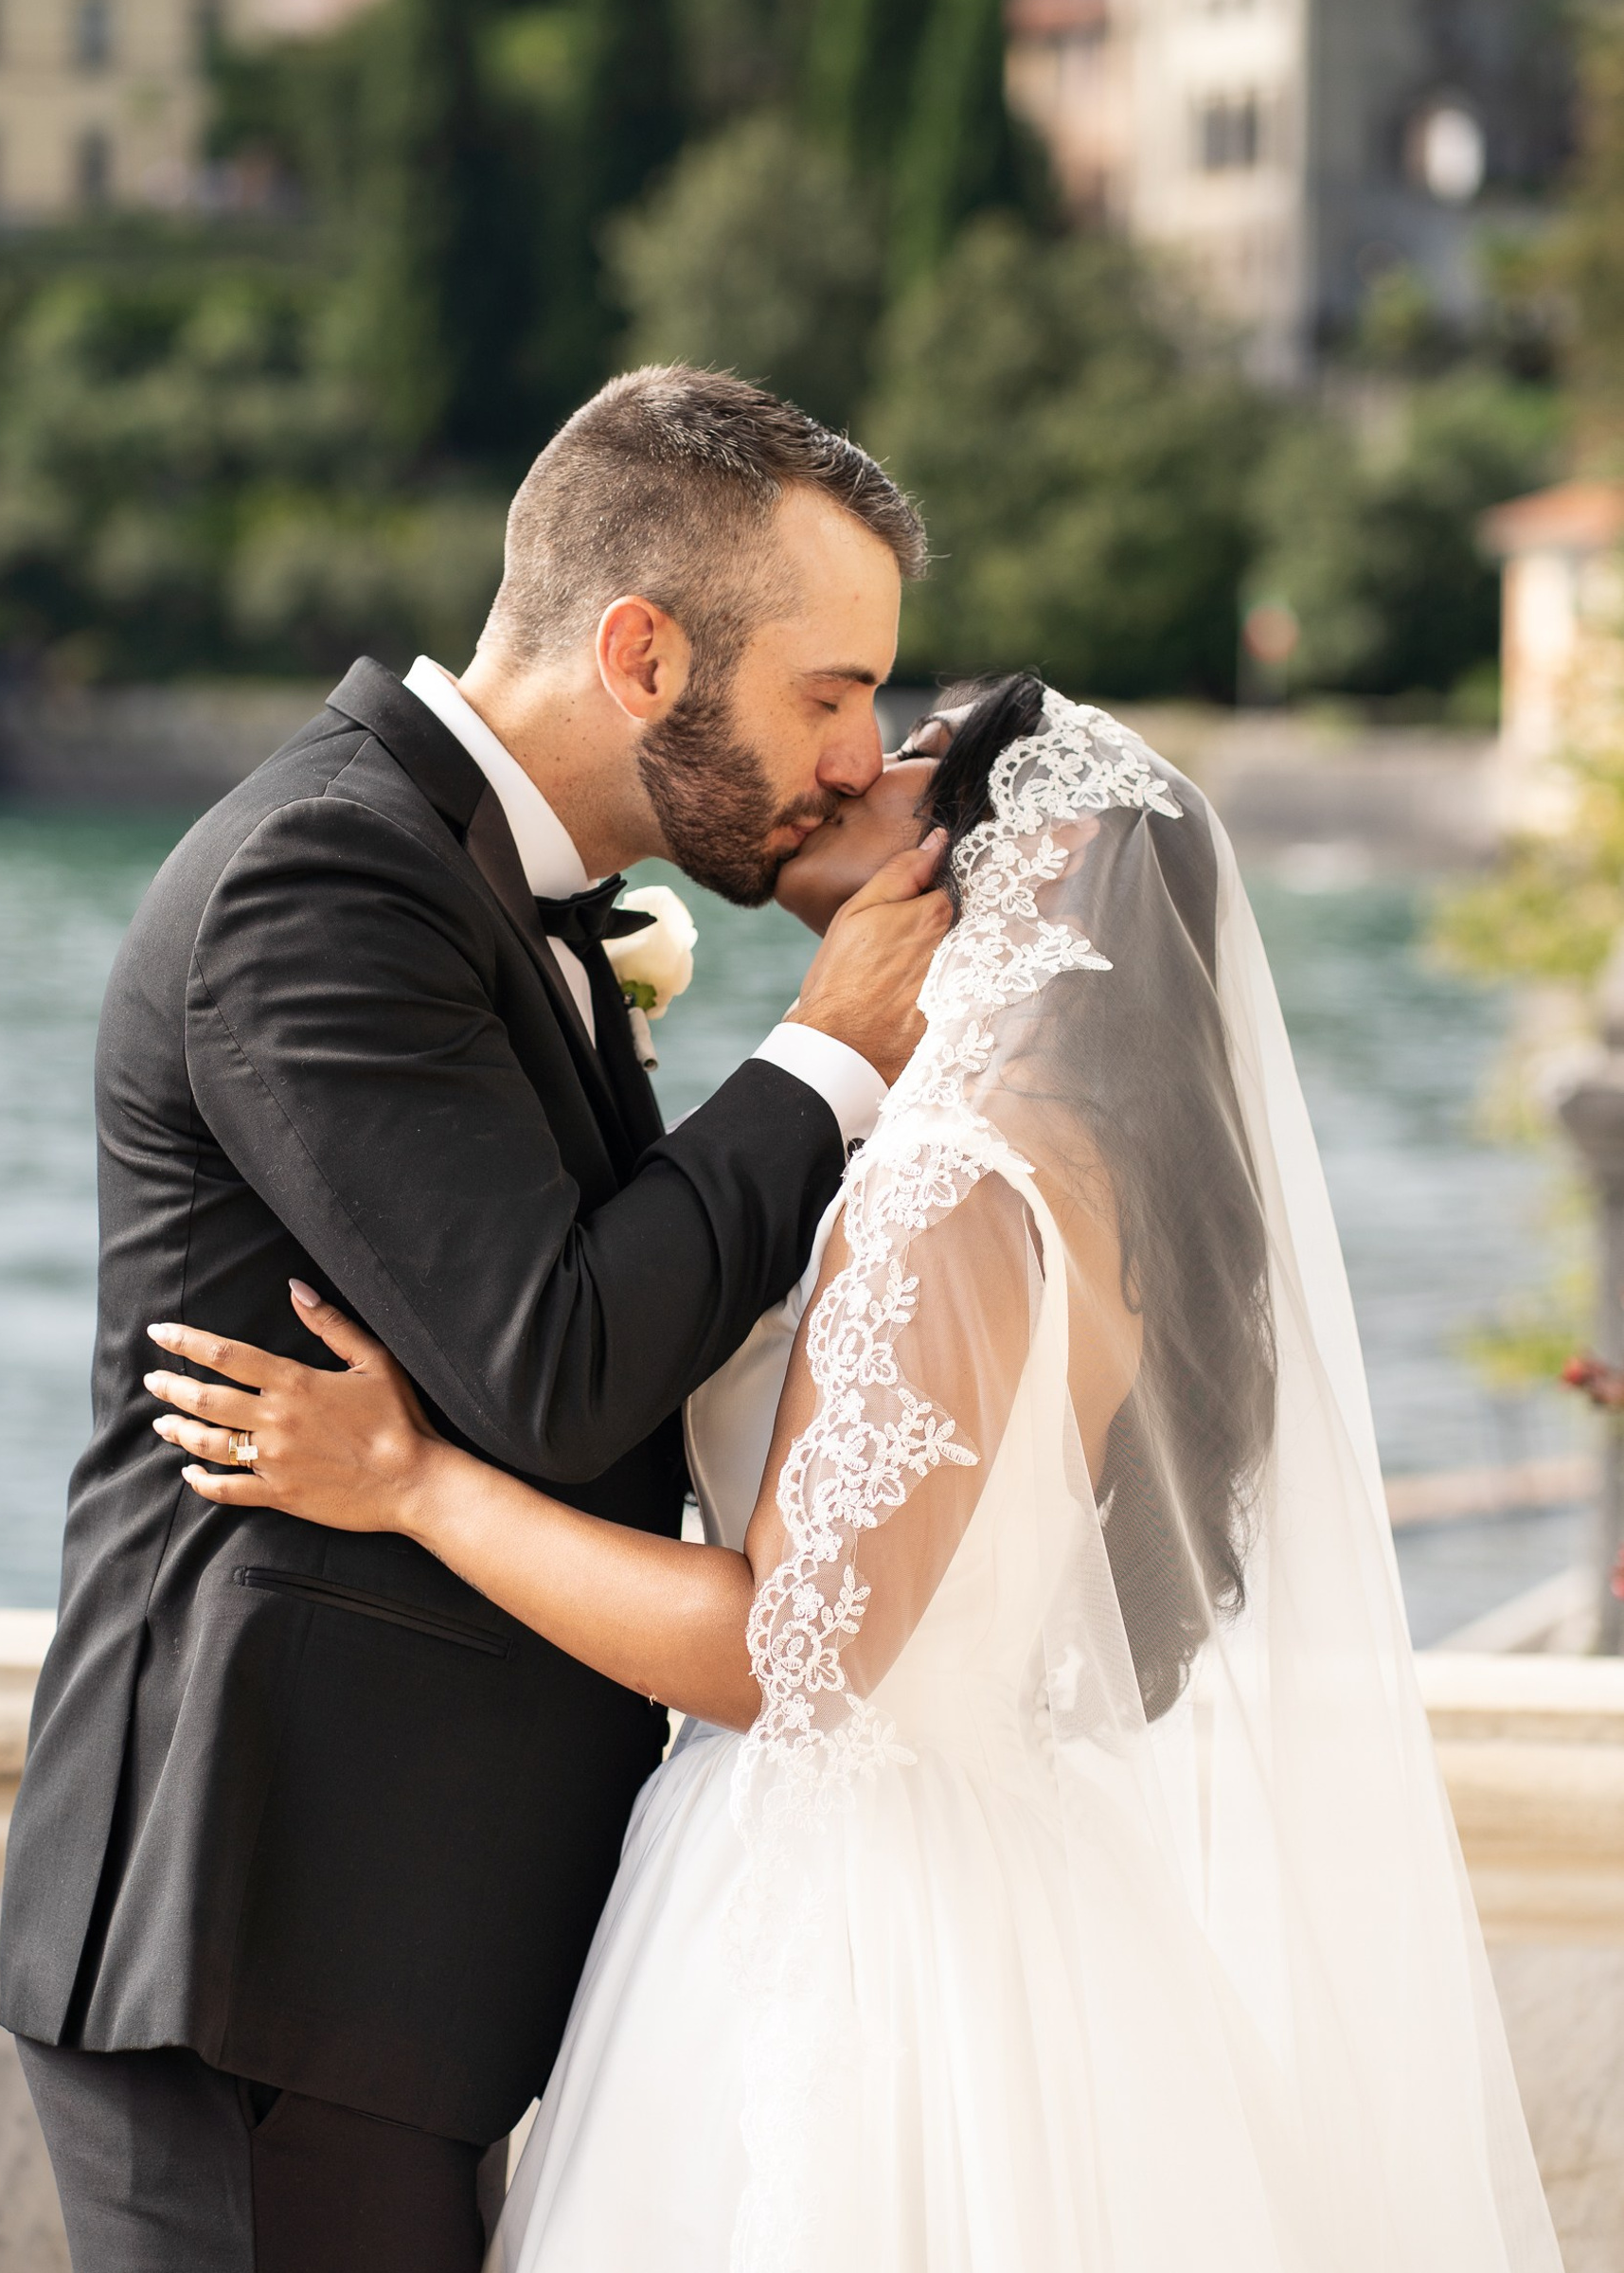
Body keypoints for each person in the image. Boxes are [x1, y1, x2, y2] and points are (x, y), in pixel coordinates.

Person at [150, 676, 1564, 2272]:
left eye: (913, 755)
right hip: (989, 1878)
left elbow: (783, 1655)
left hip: (845, 1925)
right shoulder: (1080, 1175)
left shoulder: (957, 1185)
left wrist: (412, 1482)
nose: (854, 769)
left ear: (1043, 847)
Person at [0, 365, 954, 2273]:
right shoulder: (325, 879)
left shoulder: (501, 890)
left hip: (382, 1953)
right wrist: (830, 1052)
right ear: (642, 653)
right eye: (828, 694)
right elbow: (555, 1364)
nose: (859, 757)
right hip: (262, 1933)